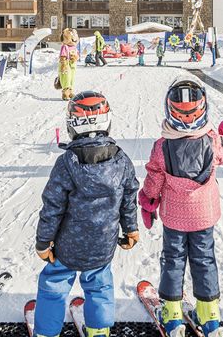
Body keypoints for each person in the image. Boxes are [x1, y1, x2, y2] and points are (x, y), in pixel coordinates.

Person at [138, 79, 223, 337]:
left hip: (175, 218)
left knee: (173, 261)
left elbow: (154, 178)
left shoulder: (162, 146)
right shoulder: (212, 140)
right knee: (204, 261)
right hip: (203, 216)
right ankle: (210, 316)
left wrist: (148, 201)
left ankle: (172, 316)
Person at [33, 91, 140, 337]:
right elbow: (128, 199)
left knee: (54, 284)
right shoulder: (121, 161)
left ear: (72, 124)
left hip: (67, 246)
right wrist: (131, 228)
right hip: (102, 245)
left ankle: (46, 332)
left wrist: (43, 242)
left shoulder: (67, 163)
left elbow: (52, 206)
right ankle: (99, 331)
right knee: (100, 286)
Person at [58, 28, 80, 100]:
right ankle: (65, 93)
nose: (74, 39)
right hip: (66, 64)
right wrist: (63, 65)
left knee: (71, 78)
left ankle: (70, 92)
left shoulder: (74, 47)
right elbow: (63, 56)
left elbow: (77, 55)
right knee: (66, 78)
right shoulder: (65, 47)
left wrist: (75, 57)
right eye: (72, 37)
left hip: (72, 65)